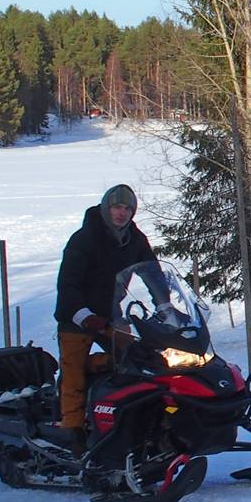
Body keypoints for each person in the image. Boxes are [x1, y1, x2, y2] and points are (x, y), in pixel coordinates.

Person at [53, 184, 155, 443]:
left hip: (110, 315)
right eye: (116, 207)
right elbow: (68, 284)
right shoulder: (84, 238)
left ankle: (131, 419)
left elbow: (152, 271)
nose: (121, 213)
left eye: (127, 208)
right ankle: (72, 431)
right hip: (76, 317)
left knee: (135, 360)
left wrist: (165, 303)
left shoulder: (134, 238)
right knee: (73, 372)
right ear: (105, 208)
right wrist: (83, 314)